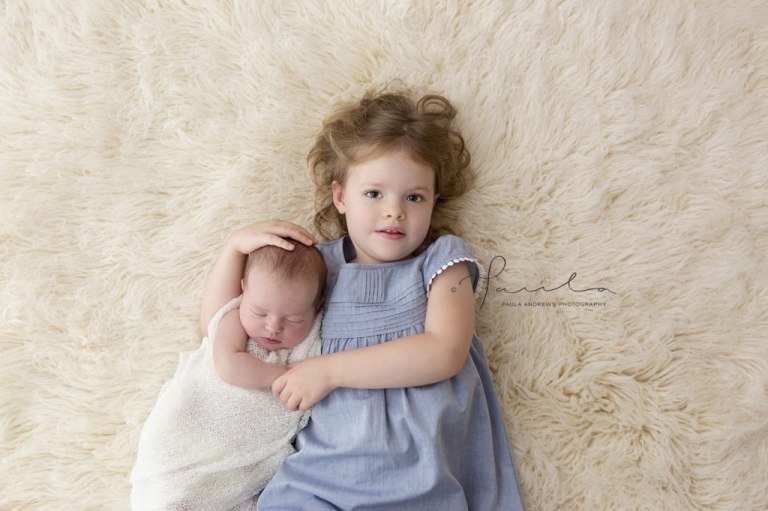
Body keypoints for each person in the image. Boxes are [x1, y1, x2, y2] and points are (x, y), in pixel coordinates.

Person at [201, 89, 525, 510]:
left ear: (434, 202)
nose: (394, 211)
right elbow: (224, 329)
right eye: (374, 194)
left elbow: (444, 351)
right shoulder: (315, 271)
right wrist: (234, 250)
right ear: (341, 197)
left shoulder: (444, 263)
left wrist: (329, 371)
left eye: (414, 197)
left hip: (420, 481)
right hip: (319, 481)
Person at [131, 242, 327, 511]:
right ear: (244, 289)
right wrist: (282, 377)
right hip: (194, 434)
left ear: (317, 308)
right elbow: (228, 366)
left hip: (246, 461)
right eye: (260, 312)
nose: (272, 327)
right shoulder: (234, 320)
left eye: (293, 319)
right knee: (173, 496)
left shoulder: (311, 341)